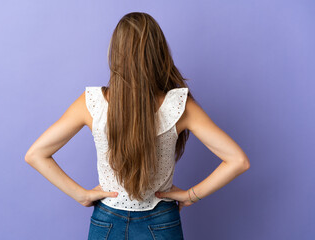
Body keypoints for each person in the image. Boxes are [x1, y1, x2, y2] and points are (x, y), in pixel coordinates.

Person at [25, 11, 250, 240]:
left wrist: (81, 195)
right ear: (158, 52)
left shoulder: (90, 103)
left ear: (116, 53)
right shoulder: (180, 106)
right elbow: (238, 161)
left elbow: (36, 154)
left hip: (106, 222)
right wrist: (191, 195)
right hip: (161, 221)